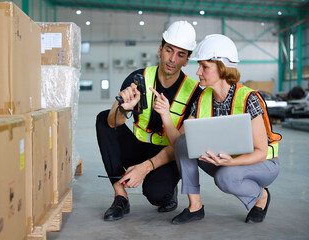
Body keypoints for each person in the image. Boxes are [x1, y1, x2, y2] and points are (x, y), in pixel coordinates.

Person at [151, 34, 282, 224]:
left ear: (222, 68)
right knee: (184, 143)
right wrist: (165, 114)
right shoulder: (203, 98)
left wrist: (229, 163)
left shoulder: (249, 99)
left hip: (262, 163)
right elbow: (178, 143)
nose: (198, 72)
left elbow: (261, 152)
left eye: (204, 67)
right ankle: (195, 207)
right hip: (224, 160)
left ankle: (261, 197)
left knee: (225, 177)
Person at [95, 20, 203, 221]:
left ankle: (168, 192)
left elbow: (183, 144)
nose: (172, 59)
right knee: (103, 118)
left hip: (167, 154)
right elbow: (111, 123)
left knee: (156, 194)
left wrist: (145, 168)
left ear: (187, 60)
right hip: (138, 146)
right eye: (169, 50)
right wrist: (122, 108)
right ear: (160, 50)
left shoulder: (195, 93)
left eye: (180, 54)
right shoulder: (138, 78)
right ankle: (120, 196)